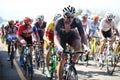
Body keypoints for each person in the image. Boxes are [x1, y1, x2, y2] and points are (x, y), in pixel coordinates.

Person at [54, 5, 88, 80]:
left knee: (79, 47)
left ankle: (72, 65)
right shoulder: (59, 21)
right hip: (61, 38)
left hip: (71, 36)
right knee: (62, 59)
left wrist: (86, 46)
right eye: (68, 17)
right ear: (64, 16)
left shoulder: (77, 21)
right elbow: (55, 37)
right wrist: (59, 47)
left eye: (72, 16)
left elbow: (82, 36)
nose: (70, 19)